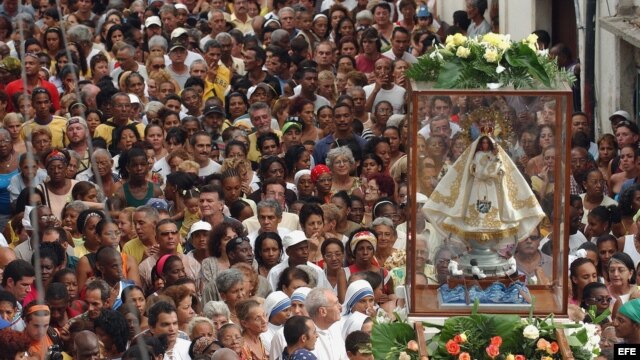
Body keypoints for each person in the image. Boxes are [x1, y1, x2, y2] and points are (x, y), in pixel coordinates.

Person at [423, 134, 545, 258]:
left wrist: (495, 163)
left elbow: (498, 170)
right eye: (483, 143)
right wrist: (484, 171)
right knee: (473, 214)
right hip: (477, 189)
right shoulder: (476, 155)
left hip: (492, 189)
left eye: (487, 143)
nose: (485, 145)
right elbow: (474, 170)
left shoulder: (496, 156)